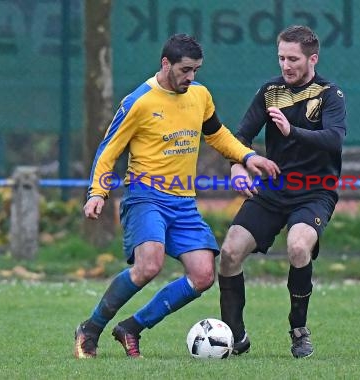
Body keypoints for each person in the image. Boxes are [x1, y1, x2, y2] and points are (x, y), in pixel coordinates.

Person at [74, 33, 279, 359]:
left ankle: (132, 328)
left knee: (202, 275)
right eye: (185, 70)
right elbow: (108, 150)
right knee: (148, 265)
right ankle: (91, 328)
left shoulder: (199, 96)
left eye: (196, 70)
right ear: (165, 63)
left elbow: (217, 135)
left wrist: (247, 157)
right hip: (146, 196)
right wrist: (98, 192)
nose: (191, 77)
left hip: (182, 201)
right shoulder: (138, 101)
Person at [218, 25, 347, 358]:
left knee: (298, 246)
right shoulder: (269, 92)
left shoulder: (329, 94)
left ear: (312, 58)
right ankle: (234, 336)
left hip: (315, 190)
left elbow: (334, 138)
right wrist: (237, 168)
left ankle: (298, 329)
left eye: (293, 59)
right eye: (281, 58)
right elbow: (239, 138)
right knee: (230, 252)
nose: (286, 65)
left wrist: (294, 131)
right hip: (273, 189)